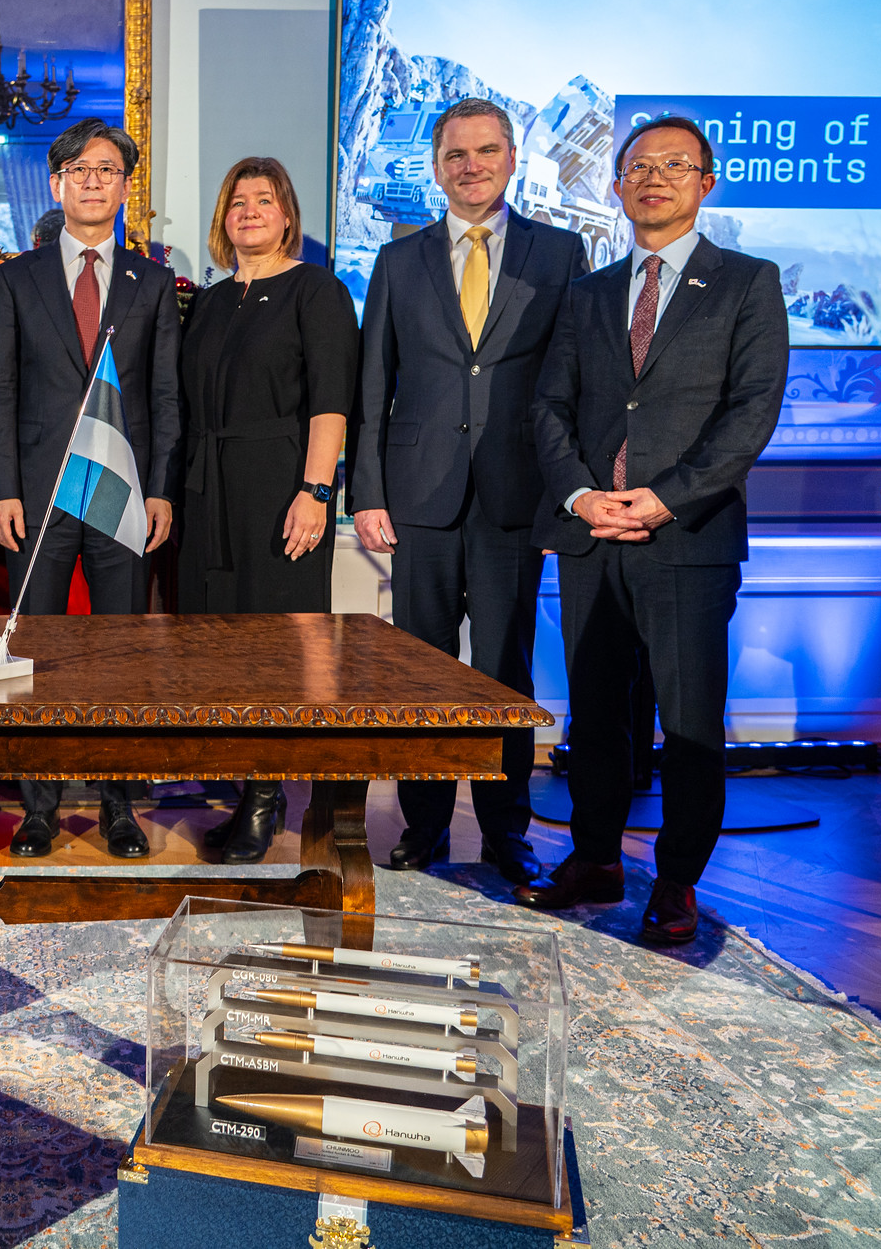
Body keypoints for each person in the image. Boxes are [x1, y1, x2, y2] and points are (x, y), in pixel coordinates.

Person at [517, 116, 789, 946]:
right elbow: (549, 405)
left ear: (706, 183)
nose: (654, 178)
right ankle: (596, 858)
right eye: (639, 166)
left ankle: (676, 881)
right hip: (593, 536)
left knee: (690, 722)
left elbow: (752, 413)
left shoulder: (748, 282)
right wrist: (580, 495)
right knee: (597, 716)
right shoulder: (590, 292)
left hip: (687, 537)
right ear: (616, 185)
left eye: (675, 165)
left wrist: (665, 498)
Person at [350, 99, 588, 886]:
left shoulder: (561, 253)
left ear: (512, 159)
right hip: (417, 496)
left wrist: (568, 493)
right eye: (456, 154)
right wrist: (367, 490)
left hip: (516, 497)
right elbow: (373, 382)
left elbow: (573, 382)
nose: (471, 166)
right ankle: (422, 824)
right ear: (437, 167)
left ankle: (503, 830)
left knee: (502, 674)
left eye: (486, 151)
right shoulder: (399, 259)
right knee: (419, 671)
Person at [0, 117, 180, 859]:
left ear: (126, 186)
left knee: (120, 653)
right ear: (56, 183)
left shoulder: (150, 282)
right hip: (38, 492)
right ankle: (39, 808)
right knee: (33, 651)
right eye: (79, 170)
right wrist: (3, 488)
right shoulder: (14, 278)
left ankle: (119, 807)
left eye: (108, 170)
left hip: (122, 489)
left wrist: (160, 489)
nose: (94, 181)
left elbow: (165, 395)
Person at [179, 157, 357, 863]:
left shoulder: (317, 290)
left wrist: (316, 492)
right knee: (219, 648)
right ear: (223, 219)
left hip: (281, 488)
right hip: (208, 491)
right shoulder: (211, 301)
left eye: (264, 199)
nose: (249, 211)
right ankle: (242, 788)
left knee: (275, 652)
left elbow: (332, 400)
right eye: (237, 201)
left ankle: (266, 797)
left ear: (287, 215)